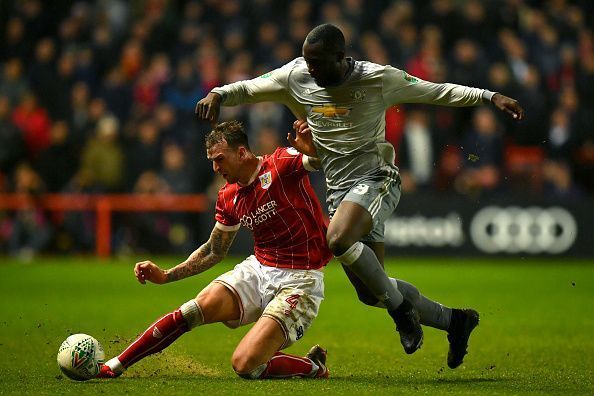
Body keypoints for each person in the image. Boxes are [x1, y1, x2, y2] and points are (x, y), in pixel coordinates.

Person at [195, 23, 525, 368]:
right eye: (308, 62)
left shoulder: (377, 78)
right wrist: (218, 93)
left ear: (341, 57)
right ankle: (456, 322)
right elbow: (248, 88)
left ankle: (402, 315)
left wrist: (489, 96)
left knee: (336, 239)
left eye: (319, 63)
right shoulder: (296, 75)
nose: (311, 70)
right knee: (372, 291)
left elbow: (437, 91)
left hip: (377, 178)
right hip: (340, 191)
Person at [98, 121, 331, 379]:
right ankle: (115, 365)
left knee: (245, 365)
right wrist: (166, 275)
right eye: (211, 161)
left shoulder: (280, 164)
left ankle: (313, 367)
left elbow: (319, 161)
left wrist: (314, 150)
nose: (215, 168)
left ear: (242, 152)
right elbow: (213, 251)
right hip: (259, 269)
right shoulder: (228, 196)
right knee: (192, 311)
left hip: (301, 280)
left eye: (220, 159)